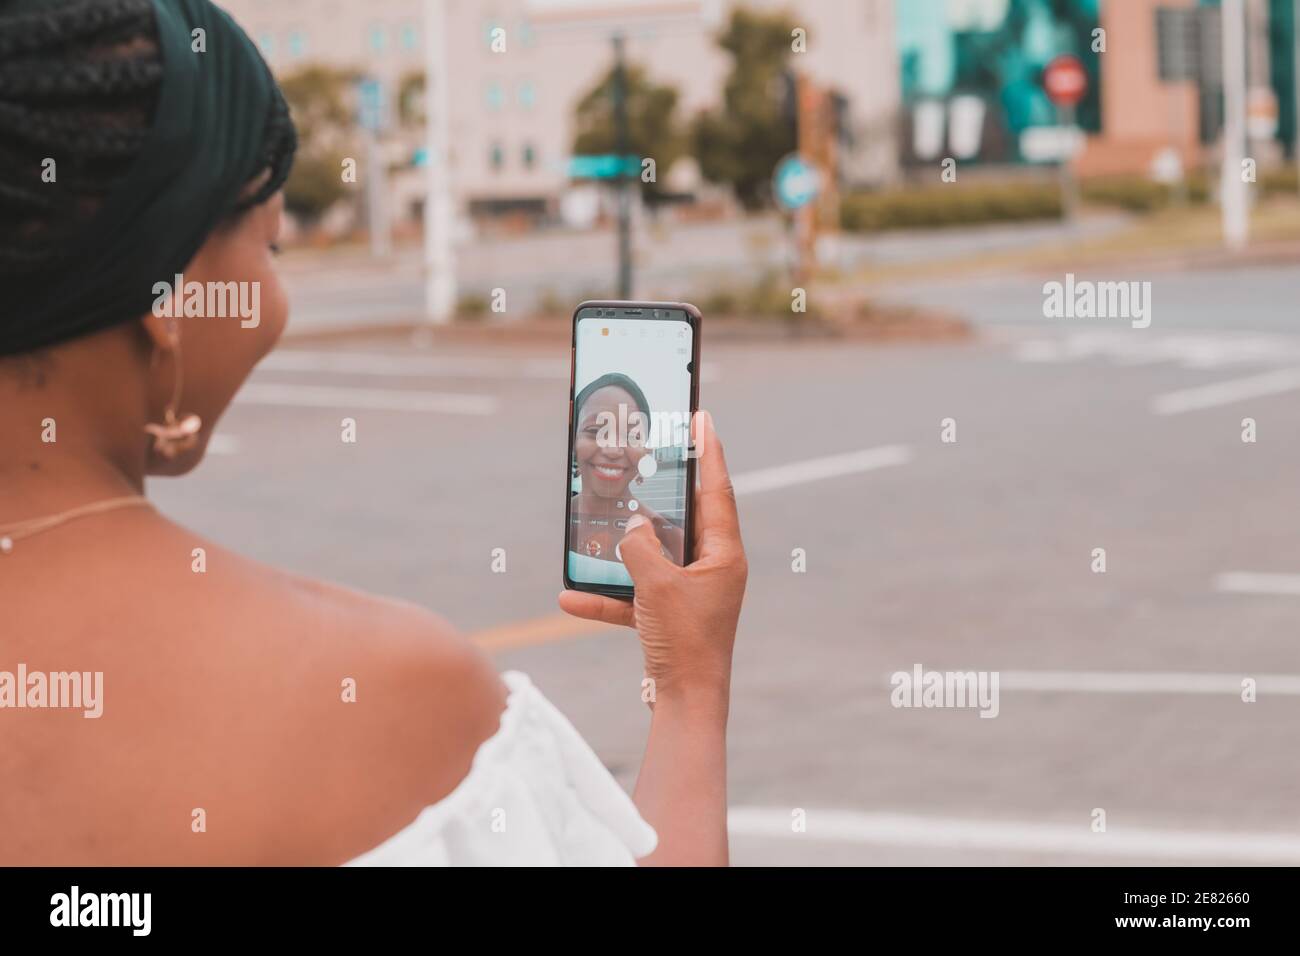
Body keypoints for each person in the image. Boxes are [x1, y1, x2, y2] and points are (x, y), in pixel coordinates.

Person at [0, 0, 747, 866]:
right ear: (168, 305)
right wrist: (690, 682)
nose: (276, 300)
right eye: (270, 249)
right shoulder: (393, 701)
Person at [569, 372, 688, 587]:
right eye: (596, 432)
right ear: (573, 445)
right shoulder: (563, 525)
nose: (613, 450)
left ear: (645, 453)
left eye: (631, 436)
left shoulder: (671, 539)